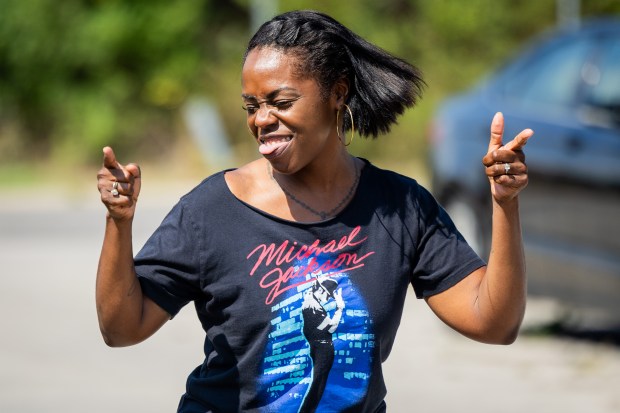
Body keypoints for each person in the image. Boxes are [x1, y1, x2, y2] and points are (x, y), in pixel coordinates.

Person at [96, 10, 533, 413]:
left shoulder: (399, 207)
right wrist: (120, 221)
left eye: (281, 102)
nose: (262, 120)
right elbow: (121, 328)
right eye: (252, 106)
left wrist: (504, 204)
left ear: (337, 93)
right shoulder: (210, 210)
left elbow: (494, 323)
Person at [299, 276, 345, 412]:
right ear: (321, 290)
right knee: (318, 385)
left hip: (319, 347)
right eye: (328, 294)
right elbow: (331, 327)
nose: (329, 297)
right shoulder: (313, 306)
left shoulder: (311, 303)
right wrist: (339, 309)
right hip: (322, 348)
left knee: (319, 384)